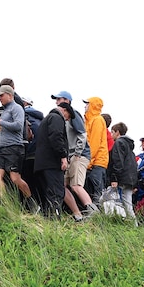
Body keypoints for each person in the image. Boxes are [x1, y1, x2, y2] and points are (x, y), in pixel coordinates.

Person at [0, 84, 34, 207]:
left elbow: (19, 126)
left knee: (15, 178)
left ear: (10, 95)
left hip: (14, 147)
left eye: (1, 96)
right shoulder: (5, 110)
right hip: (2, 147)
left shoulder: (17, 108)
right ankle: (5, 204)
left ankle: (32, 203)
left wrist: (1, 122)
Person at [51, 91, 96, 220]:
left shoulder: (73, 114)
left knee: (76, 185)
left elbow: (82, 134)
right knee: (62, 186)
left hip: (79, 155)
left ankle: (93, 213)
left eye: (58, 99)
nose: (56, 102)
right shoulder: (61, 118)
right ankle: (78, 215)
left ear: (67, 101)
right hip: (70, 156)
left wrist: (76, 153)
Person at [34, 102, 71, 219]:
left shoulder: (45, 120)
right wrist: (63, 156)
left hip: (41, 163)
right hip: (52, 163)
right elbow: (56, 136)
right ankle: (55, 219)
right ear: (64, 111)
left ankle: (47, 219)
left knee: (48, 193)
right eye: (67, 117)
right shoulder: (56, 118)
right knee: (56, 193)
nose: (66, 120)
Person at [107, 122, 138, 220]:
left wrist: (114, 178)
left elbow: (118, 161)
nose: (111, 136)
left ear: (117, 132)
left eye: (112, 132)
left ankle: (119, 220)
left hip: (122, 177)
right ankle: (133, 223)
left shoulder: (119, 143)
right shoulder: (129, 146)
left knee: (118, 202)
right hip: (130, 178)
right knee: (128, 202)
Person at [82, 97, 109, 201]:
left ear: (93, 105)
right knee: (90, 192)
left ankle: (98, 215)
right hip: (93, 162)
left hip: (96, 163)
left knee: (96, 194)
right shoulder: (89, 120)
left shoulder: (97, 120)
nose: (85, 106)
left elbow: (94, 143)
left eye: (87, 104)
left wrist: (87, 162)